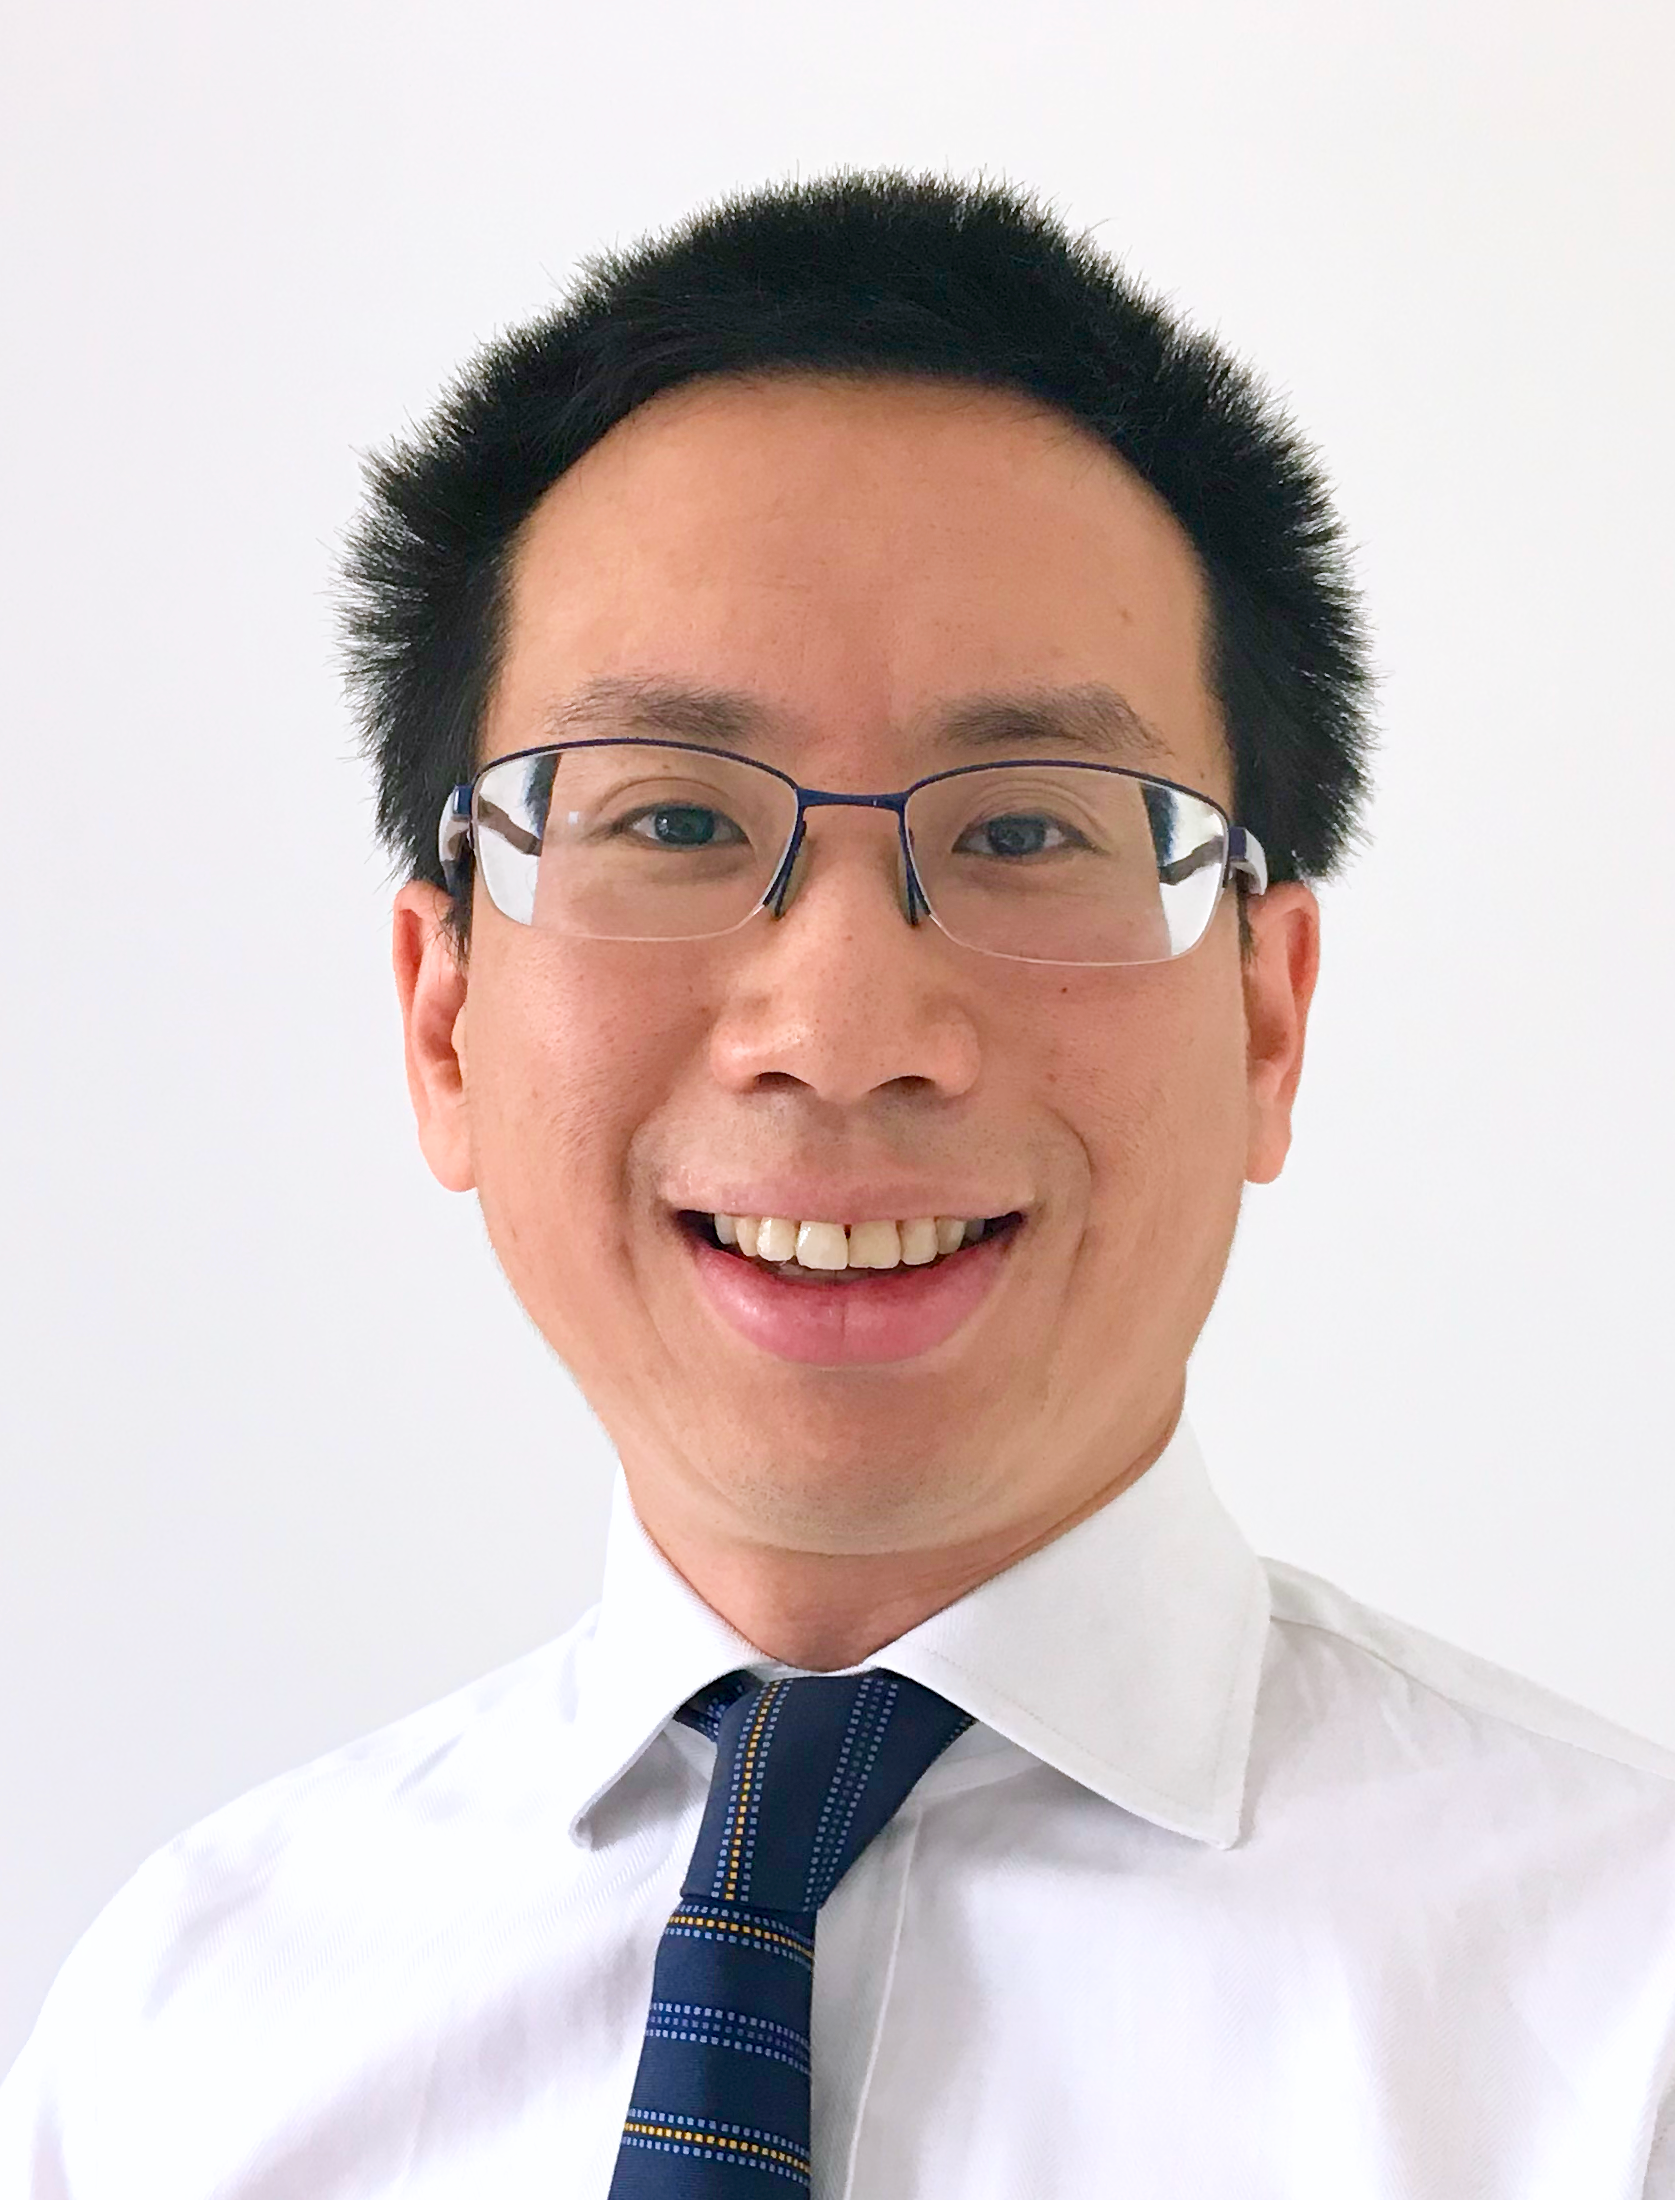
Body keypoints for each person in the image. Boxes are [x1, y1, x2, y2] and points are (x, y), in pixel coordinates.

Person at [3, 170, 1672, 2199]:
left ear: (1266, 1015)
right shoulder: (185, 2046)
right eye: (678, 814)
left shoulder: (1616, 2025)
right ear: (442, 1014)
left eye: (1036, 833)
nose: (845, 1015)